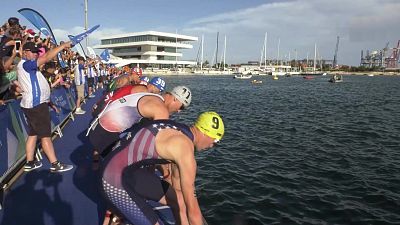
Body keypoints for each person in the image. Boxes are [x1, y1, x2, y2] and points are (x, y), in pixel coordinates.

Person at [100, 111, 224, 225]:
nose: (212, 145)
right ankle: (118, 216)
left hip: (127, 170)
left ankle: (116, 216)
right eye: (216, 140)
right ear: (205, 133)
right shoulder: (185, 150)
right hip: (112, 179)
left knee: (179, 199)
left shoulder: (179, 131)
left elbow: (177, 187)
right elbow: (193, 212)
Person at [88, 85, 192, 159]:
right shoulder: (161, 110)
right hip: (103, 136)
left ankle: (97, 163)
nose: (179, 111)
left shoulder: (148, 94)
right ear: (175, 99)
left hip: (95, 127)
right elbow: (157, 146)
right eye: (181, 107)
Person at [17, 41, 73, 172]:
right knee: (45, 135)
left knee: (33, 133)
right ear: (24, 52)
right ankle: (55, 164)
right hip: (36, 105)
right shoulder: (26, 64)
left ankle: (30, 162)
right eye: (33, 52)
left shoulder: (25, 65)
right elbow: (46, 57)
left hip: (30, 104)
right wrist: (63, 46)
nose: (36, 54)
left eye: (37, 52)